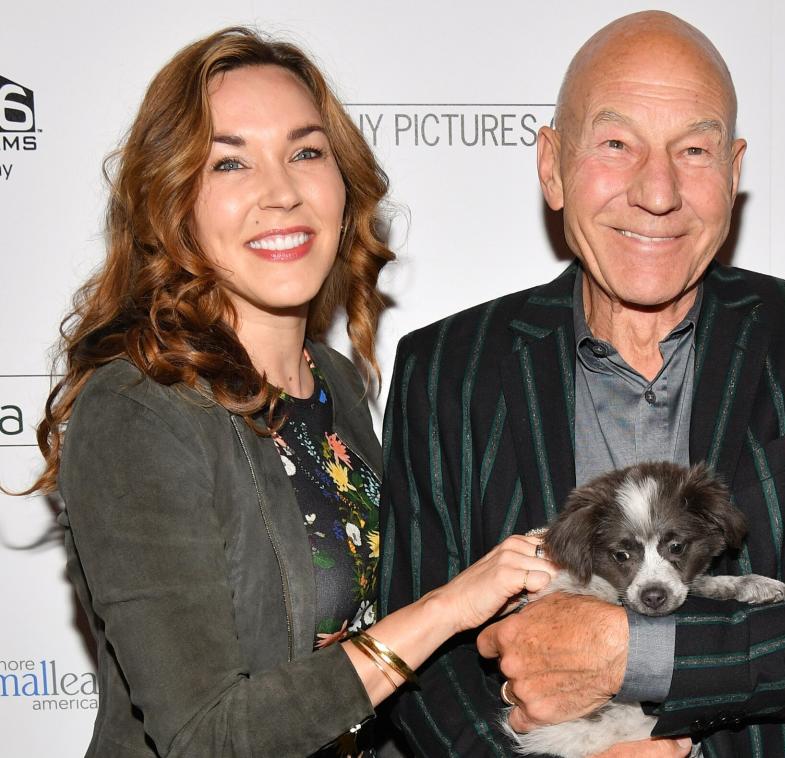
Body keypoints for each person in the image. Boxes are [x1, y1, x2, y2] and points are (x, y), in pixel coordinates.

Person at [379, 10, 785, 757]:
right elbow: (416, 657)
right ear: (552, 166)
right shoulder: (448, 367)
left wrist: (633, 651)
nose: (658, 191)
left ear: (733, 172)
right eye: (616, 144)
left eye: (693, 150)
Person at [21, 27, 556, 758]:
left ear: (344, 184)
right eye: (230, 163)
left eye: (306, 152)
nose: (281, 193)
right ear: (174, 203)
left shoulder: (332, 379)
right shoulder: (139, 410)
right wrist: (448, 607)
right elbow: (207, 735)